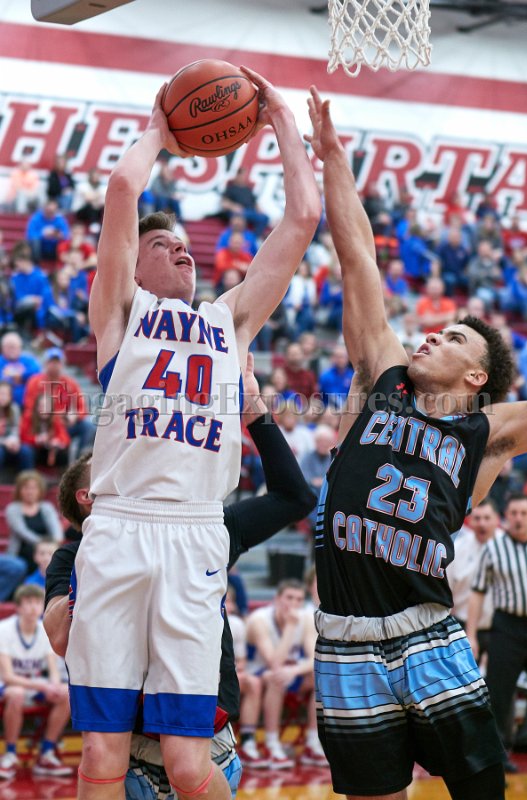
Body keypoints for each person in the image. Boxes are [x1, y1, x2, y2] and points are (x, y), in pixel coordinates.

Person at [65, 70, 320, 800]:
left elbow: (301, 219)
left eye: (186, 246)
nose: (183, 252)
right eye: (164, 245)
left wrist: (279, 118)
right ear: (134, 263)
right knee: (102, 757)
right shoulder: (121, 312)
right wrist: (159, 127)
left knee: (186, 761)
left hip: (197, 533)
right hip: (119, 526)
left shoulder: (229, 321)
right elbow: (123, 187)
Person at [304, 86, 527, 800]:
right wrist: (333, 157)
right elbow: (357, 258)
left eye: (453, 337)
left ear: (475, 376)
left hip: (428, 632)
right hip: (344, 635)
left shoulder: (486, 434)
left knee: (482, 790)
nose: (432, 334)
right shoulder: (384, 376)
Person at [43, 353, 317, 798]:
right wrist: (93, 567)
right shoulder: (71, 558)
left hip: (206, 746)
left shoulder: (201, 528)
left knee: (189, 767)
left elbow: (296, 496)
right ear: (88, 496)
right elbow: (59, 637)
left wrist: (254, 411)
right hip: (124, 754)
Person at [466, 493, 527, 773]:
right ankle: (498, 753)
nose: (518, 518)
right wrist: (471, 634)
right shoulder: (494, 549)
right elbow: (477, 593)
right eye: (513, 513)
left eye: (523, 513)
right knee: (499, 693)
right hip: (507, 627)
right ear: (506, 517)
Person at [243, 579, 327, 769]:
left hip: (290, 672)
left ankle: (312, 744)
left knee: (320, 676)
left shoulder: (306, 618)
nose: (294, 603)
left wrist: (293, 670)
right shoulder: (259, 620)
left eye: (299, 599)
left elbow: (316, 658)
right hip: (258, 672)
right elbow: (273, 663)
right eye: (289, 597)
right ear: (277, 599)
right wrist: (290, 627)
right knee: (276, 677)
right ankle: (272, 745)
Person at [0, 584, 72, 781]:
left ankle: (46, 753)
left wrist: (54, 685)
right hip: (6, 684)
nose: (33, 607)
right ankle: (9, 754)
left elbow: (53, 668)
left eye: (38, 602)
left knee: (66, 693)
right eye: (29, 602)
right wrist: (43, 686)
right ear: (18, 607)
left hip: (32, 683)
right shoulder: (4, 630)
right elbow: (8, 676)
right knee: (17, 693)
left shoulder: (43, 630)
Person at [446, 499, 503, 662]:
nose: (482, 523)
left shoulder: (507, 547)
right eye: (477, 518)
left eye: (487, 518)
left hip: (500, 629)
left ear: (497, 519)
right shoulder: (457, 548)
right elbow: (447, 592)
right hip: (461, 627)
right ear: (469, 521)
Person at [23, 346, 96, 456]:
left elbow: (82, 408)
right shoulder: (35, 382)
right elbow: (29, 407)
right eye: (51, 362)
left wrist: (75, 415)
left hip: (65, 425)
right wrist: (52, 417)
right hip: (43, 426)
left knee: (88, 426)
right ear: (45, 364)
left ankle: (80, 458)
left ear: (62, 364)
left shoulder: (70, 384)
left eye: (57, 362)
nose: (54, 365)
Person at [5, 470, 63, 573]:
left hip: (46, 552)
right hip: (22, 553)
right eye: (26, 488)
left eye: (34, 488)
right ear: (19, 490)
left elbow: (57, 531)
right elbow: (23, 532)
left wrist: (51, 546)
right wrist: (44, 545)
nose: (30, 492)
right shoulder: (12, 509)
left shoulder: (47, 507)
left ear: (40, 490)